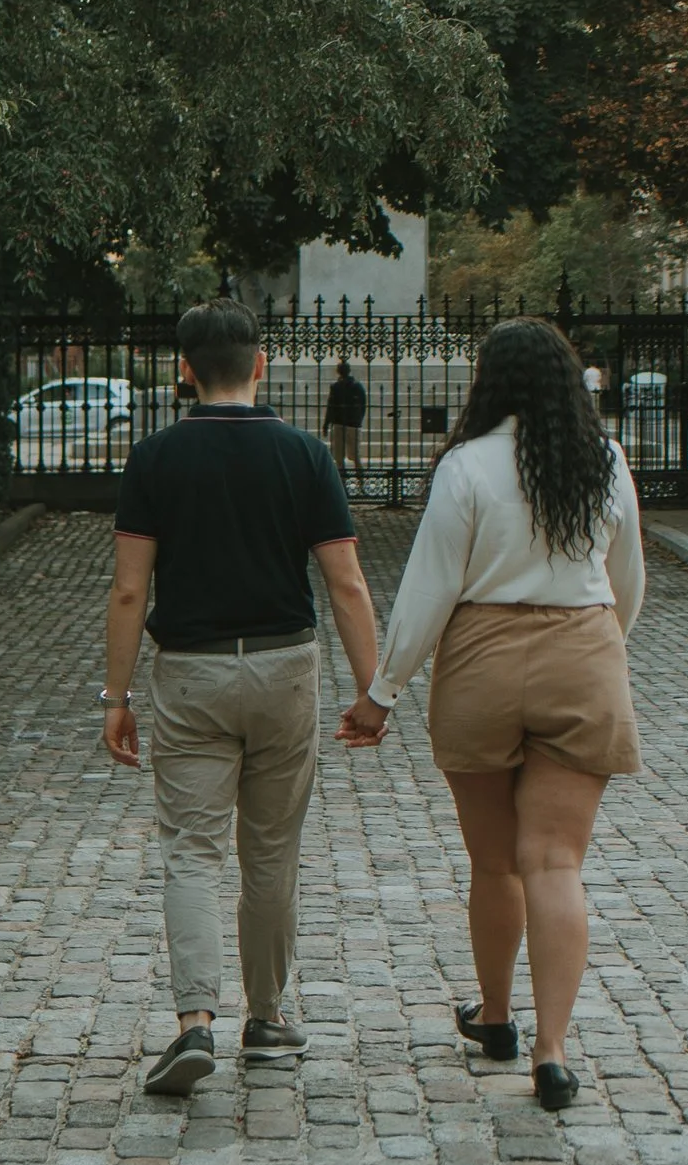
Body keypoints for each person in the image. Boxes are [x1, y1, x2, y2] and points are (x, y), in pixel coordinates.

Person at [346, 316, 642, 1116]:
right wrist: (600, 649)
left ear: (491, 381)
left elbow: (430, 585)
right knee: (555, 863)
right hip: (583, 648)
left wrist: (382, 692)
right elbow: (628, 579)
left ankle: (498, 1015)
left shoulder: (466, 466)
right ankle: (552, 1049)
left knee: (495, 862)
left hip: (482, 652)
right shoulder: (604, 461)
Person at [103, 299, 385, 1101]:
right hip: (284, 667)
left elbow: (130, 591)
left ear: (184, 369)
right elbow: (345, 581)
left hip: (190, 672)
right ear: (260, 365)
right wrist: (375, 690)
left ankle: (195, 1021)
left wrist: (114, 696)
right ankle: (266, 1017)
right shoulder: (304, 455)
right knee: (270, 851)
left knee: (191, 849)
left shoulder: (154, 459)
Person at [322, 354, 369, 488]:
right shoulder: (356, 386)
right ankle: (360, 481)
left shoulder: (337, 387)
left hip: (339, 423)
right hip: (351, 424)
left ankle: (343, 483)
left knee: (340, 456)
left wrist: (326, 424)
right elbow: (363, 405)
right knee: (354, 455)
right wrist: (358, 420)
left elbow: (331, 407)